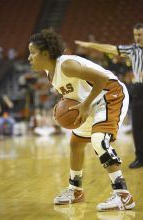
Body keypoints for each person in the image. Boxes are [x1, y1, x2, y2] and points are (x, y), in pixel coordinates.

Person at [28, 28, 135, 211]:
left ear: (46, 53)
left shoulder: (66, 65)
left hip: (110, 94)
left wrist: (85, 105)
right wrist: (63, 106)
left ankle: (123, 195)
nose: (29, 58)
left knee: (99, 140)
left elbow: (102, 79)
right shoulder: (50, 73)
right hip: (90, 103)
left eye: (32, 53)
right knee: (76, 144)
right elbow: (74, 92)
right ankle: (75, 190)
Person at [75, 23, 143, 169]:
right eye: (136, 35)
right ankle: (140, 157)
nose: (137, 38)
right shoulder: (133, 49)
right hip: (138, 88)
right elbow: (110, 48)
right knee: (137, 126)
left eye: (140, 35)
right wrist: (90, 45)